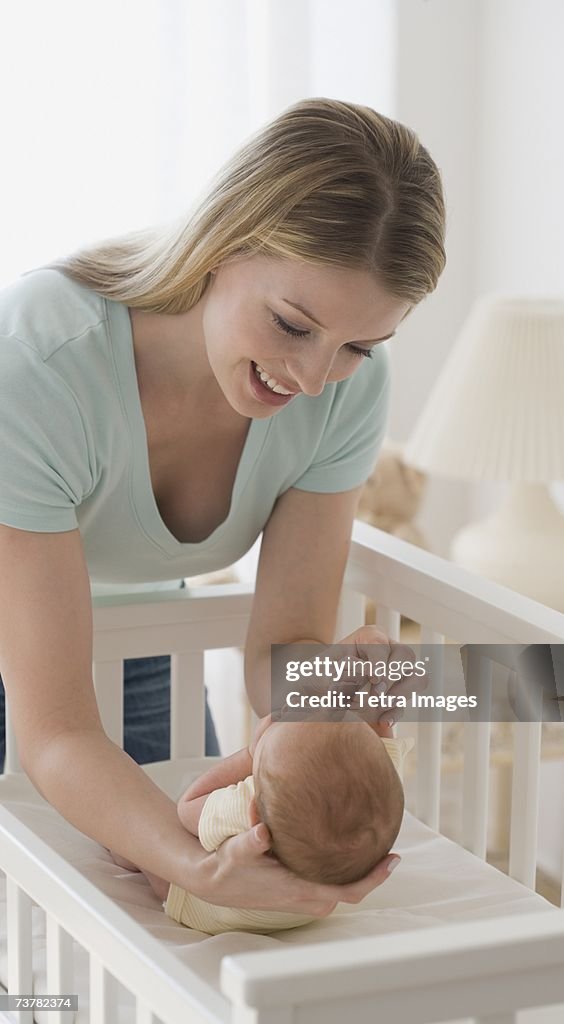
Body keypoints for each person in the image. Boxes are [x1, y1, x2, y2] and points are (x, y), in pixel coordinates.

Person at [0, 97, 446, 917]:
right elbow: (56, 728)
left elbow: (279, 654)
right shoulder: (38, 361)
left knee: (180, 912)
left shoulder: (348, 396)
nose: (312, 380)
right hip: (19, 652)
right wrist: (191, 866)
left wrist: (325, 690)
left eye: (356, 346)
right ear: (221, 241)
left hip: (143, 646)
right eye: (291, 324)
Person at [113, 716, 413, 935]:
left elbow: (187, 808)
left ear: (255, 813)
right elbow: (380, 746)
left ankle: (127, 855)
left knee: (153, 852)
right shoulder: (379, 788)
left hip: (211, 908)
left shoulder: (247, 803)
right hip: (303, 910)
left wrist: (248, 756)